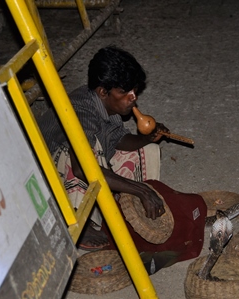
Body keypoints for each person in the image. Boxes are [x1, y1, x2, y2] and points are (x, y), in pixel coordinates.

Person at [38, 46, 170, 251]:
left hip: (89, 168)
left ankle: (129, 206)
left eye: (134, 90)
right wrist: (140, 189)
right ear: (103, 91)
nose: (133, 97)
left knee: (148, 149)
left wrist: (147, 138)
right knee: (81, 151)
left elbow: (119, 140)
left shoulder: (107, 105)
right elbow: (82, 168)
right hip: (50, 182)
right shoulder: (81, 110)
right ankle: (82, 221)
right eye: (125, 92)